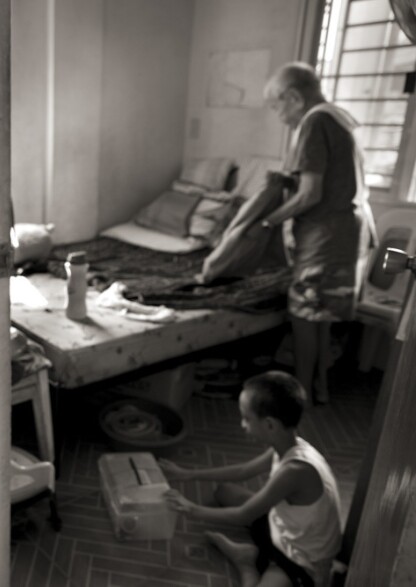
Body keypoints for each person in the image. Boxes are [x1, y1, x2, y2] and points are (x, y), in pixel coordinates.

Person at [259, 62, 374, 406]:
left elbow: (311, 193)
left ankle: (301, 393)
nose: (279, 116)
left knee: (305, 314)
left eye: (277, 106)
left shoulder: (314, 122)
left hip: (325, 236)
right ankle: (320, 384)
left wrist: (269, 220)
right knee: (321, 314)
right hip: (346, 233)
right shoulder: (338, 118)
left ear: (293, 97)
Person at [161, 371, 342, 587]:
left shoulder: (295, 470)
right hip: (283, 529)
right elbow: (243, 471)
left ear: (270, 425)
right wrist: (188, 474)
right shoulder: (287, 443)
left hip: (304, 560)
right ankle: (252, 554)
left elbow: (241, 515)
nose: (242, 425)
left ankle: (247, 563)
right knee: (224, 491)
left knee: (241, 511)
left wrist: (189, 508)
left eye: (246, 418)